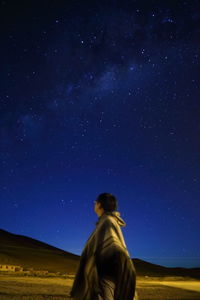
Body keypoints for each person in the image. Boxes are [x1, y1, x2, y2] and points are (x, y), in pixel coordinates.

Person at [70, 192, 138, 300]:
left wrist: (94, 264)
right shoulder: (108, 221)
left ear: (100, 205)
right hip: (110, 270)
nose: (94, 205)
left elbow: (114, 247)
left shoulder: (107, 221)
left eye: (95, 203)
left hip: (106, 272)